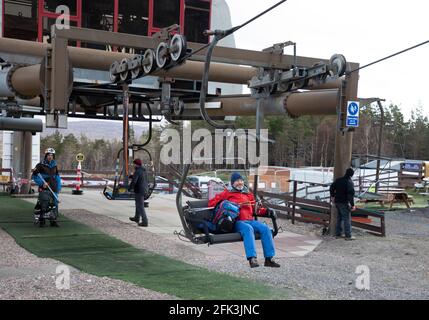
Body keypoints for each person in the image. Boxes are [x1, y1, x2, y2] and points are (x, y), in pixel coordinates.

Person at [208, 172, 280, 268]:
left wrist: (267, 211)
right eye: (237, 181)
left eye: (241, 180)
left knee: (265, 228)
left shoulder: (248, 194)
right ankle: (252, 258)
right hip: (236, 222)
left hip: (250, 220)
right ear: (233, 183)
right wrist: (226, 204)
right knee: (248, 228)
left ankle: (269, 258)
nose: (240, 183)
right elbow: (211, 203)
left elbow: (256, 210)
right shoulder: (227, 193)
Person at [32, 147, 62, 227]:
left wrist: (59, 187)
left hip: (54, 188)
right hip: (44, 188)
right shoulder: (40, 165)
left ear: (53, 156)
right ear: (46, 155)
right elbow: (34, 177)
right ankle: (42, 220)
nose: (50, 156)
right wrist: (42, 183)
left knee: (55, 204)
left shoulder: (54, 165)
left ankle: (53, 220)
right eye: (48, 155)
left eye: (52, 155)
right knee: (44, 203)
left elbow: (57, 177)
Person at [330, 168, 356, 240]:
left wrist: (333, 196)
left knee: (339, 218)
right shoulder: (349, 182)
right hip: (344, 202)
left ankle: (338, 234)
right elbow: (350, 195)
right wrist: (353, 205)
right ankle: (348, 235)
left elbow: (331, 187)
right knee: (346, 219)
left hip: (337, 201)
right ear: (351, 175)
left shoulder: (339, 180)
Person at [128, 158, 149, 227]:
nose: (133, 165)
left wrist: (130, 188)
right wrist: (132, 176)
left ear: (136, 164)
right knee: (138, 204)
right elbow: (141, 178)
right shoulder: (143, 170)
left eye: (134, 164)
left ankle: (145, 221)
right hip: (144, 189)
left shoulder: (137, 171)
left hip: (139, 190)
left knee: (140, 206)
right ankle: (137, 217)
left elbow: (134, 181)